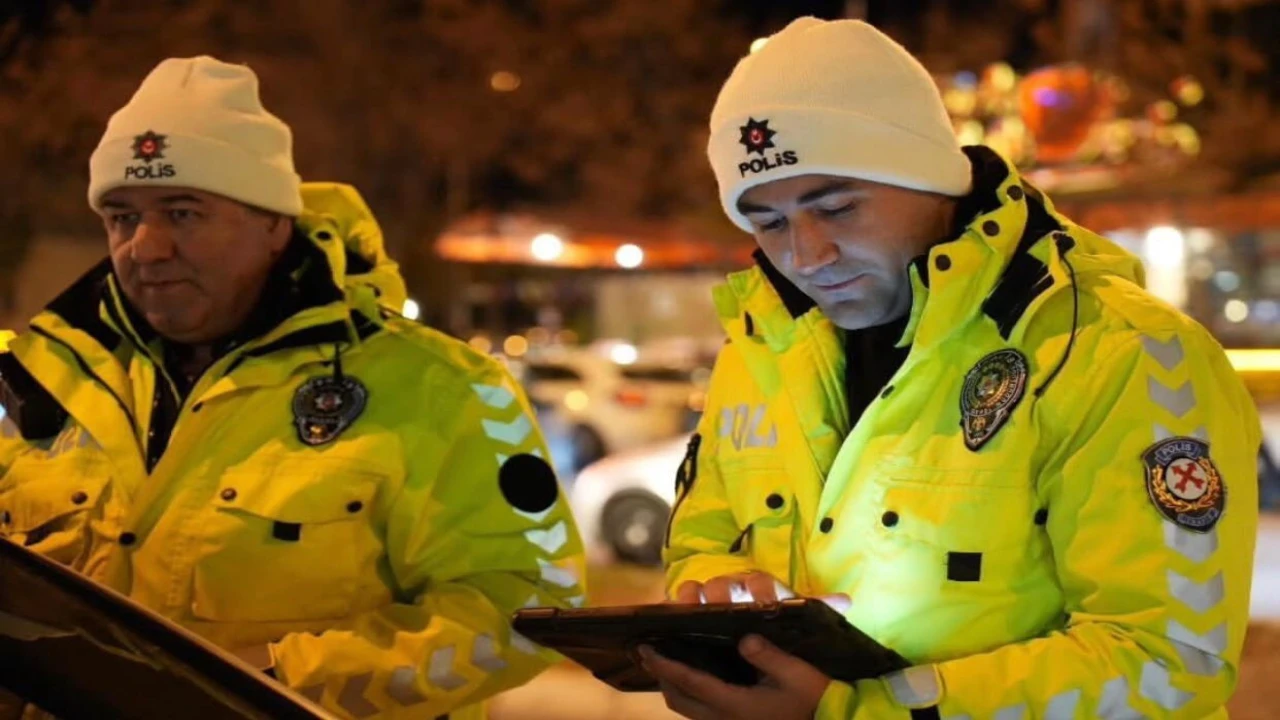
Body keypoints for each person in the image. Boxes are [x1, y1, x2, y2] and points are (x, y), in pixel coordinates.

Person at [650, 17, 1260, 720]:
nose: (807, 255)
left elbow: (1167, 660)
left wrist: (859, 712)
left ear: (932, 177)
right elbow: (699, 544)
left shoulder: (1122, 350)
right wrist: (717, 590)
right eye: (769, 223)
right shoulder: (760, 347)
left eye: (838, 207)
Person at [0, 56, 585, 720]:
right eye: (121, 216)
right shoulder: (41, 380)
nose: (146, 247)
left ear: (275, 223)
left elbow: (534, 602)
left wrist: (271, 680)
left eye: (183, 212)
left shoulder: (443, 388)